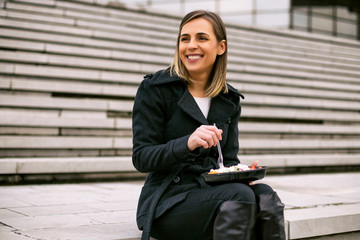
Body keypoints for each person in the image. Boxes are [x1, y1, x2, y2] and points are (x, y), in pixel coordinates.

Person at [132, 10, 285, 240]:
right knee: (239, 196)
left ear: (220, 47)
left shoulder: (228, 99)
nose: (191, 45)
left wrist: (242, 173)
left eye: (201, 38)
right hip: (167, 201)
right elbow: (141, 157)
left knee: (265, 196)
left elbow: (228, 160)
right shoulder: (155, 89)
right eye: (185, 39)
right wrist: (187, 143)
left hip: (210, 191)